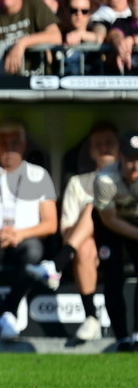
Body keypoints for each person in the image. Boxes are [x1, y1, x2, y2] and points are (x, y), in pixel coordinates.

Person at [0, 120, 58, 340]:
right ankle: (1, 312)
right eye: (4, 144)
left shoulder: (38, 175)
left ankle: (6, 312)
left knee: (34, 251)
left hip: (25, 239)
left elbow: (51, 223)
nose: (9, 149)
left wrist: (19, 234)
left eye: (14, 143)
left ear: (23, 146)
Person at [27, 123, 119, 342]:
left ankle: (56, 265)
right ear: (91, 150)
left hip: (125, 243)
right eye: (99, 144)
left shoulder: (131, 178)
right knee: (85, 245)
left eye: (109, 143)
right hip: (87, 247)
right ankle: (91, 318)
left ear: (120, 148)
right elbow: (67, 229)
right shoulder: (78, 183)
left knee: (95, 204)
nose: (104, 147)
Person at [91, 130, 138, 351]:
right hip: (112, 225)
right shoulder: (104, 179)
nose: (135, 166)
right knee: (113, 276)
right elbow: (109, 220)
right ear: (120, 157)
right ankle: (121, 337)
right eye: (130, 160)